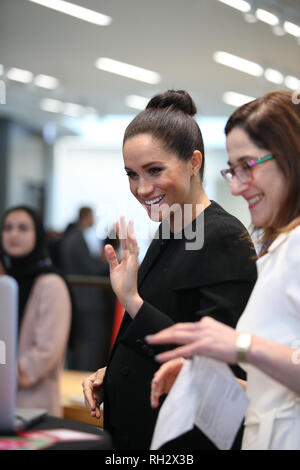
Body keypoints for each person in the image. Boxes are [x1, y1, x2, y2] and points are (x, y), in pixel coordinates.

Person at [82, 90, 257, 450]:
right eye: (132, 174)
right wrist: (112, 372)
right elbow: (162, 325)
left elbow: (215, 366)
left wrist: (130, 300)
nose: (142, 188)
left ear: (194, 162)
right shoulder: (172, 228)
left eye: (155, 170)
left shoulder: (225, 238)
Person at [147, 90, 300, 450]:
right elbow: (275, 393)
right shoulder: (279, 246)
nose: (235, 185)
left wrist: (240, 345)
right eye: (232, 169)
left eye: (248, 166)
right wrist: (206, 380)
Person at [0, 205, 71, 416]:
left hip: (34, 404)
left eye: (23, 228)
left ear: (37, 235)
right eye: (8, 227)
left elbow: (47, 351)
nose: (14, 234)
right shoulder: (5, 282)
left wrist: (6, 375)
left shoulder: (51, 283)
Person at [60, 206, 110, 371]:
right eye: (92, 216)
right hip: (86, 298)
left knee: (79, 342)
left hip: (77, 296)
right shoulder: (77, 238)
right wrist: (109, 263)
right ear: (86, 217)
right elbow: (89, 268)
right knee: (90, 342)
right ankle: (85, 376)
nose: (94, 220)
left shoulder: (72, 237)